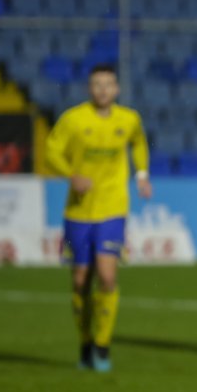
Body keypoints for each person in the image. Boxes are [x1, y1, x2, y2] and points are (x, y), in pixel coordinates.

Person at [45, 64, 152, 372]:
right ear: (89, 89)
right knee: (80, 280)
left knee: (107, 276)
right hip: (78, 210)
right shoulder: (73, 119)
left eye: (108, 84)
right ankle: (85, 343)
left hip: (112, 207)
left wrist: (142, 174)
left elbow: (139, 143)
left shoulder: (129, 119)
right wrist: (70, 175)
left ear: (117, 89)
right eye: (97, 84)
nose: (103, 90)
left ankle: (103, 347)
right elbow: (52, 151)